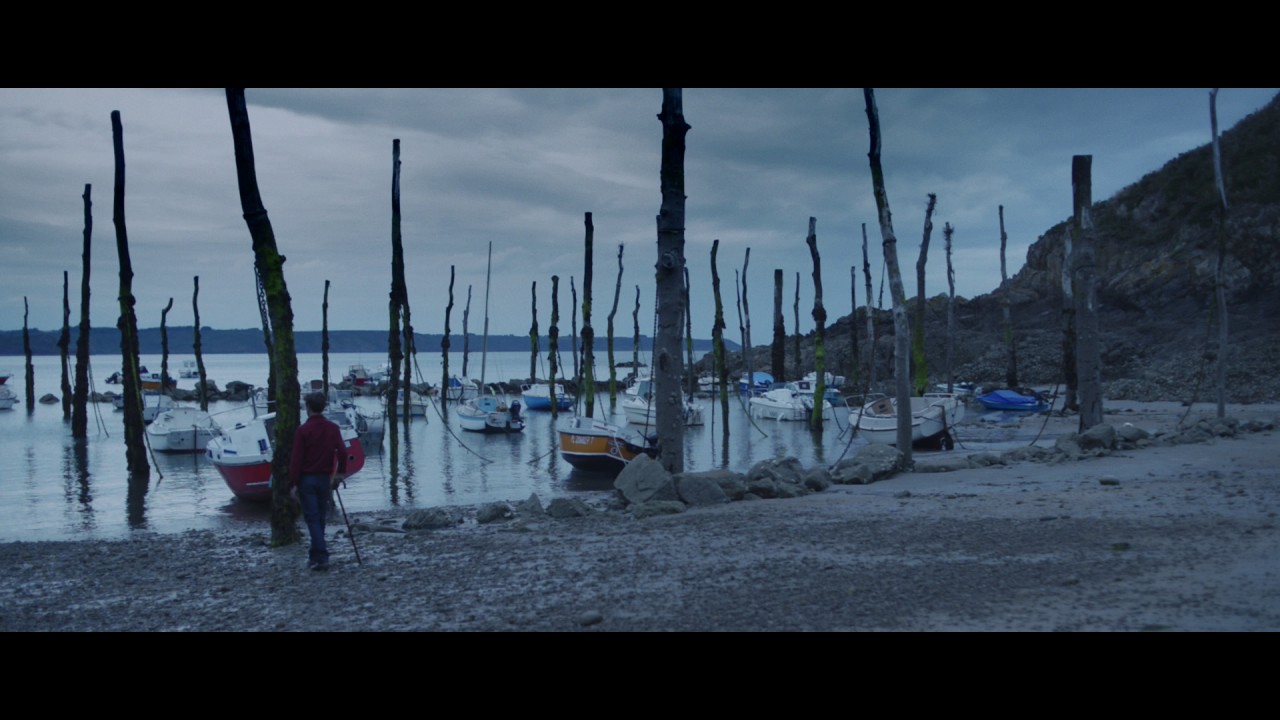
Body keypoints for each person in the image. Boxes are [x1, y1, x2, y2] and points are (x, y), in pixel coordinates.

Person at [289, 391, 347, 571]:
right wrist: (339, 474)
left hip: (307, 479)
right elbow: (343, 452)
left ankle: (321, 555)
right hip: (324, 478)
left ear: (308, 408)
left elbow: (296, 459)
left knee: (312, 518)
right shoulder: (333, 428)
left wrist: (292, 483)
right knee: (320, 517)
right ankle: (315, 554)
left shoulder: (303, 431)